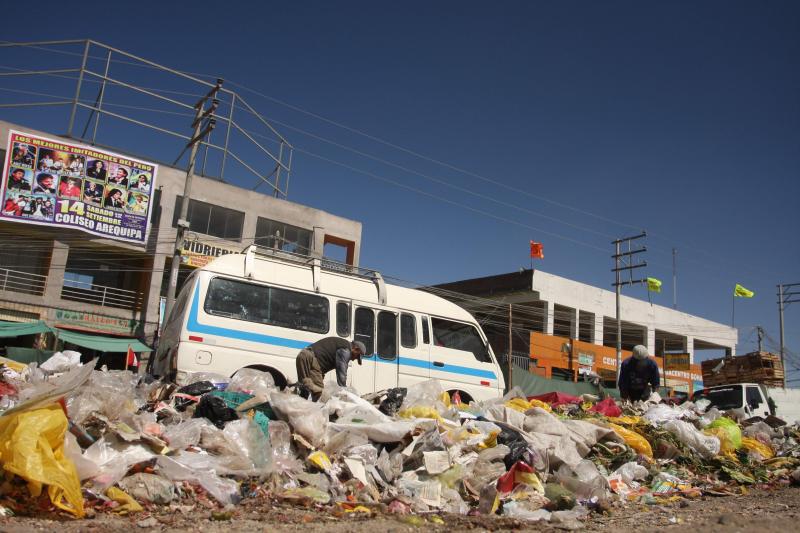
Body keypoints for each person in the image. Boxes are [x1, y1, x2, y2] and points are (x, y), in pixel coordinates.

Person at [295, 337, 365, 400]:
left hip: (304, 355)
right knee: (319, 395)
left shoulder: (343, 345)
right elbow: (341, 373)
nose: (353, 359)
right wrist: (344, 391)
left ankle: (298, 408)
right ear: (356, 349)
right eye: (356, 357)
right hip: (310, 359)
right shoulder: (346, 350)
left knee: (305, 389)